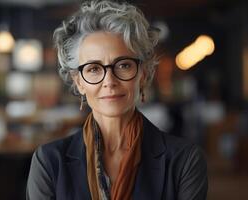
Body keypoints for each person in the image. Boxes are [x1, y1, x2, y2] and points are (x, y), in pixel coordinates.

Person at [26, 1, 208, 199]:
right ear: (79, 82)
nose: (109, 81)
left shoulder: (185, 161)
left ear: (143, 75)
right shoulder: (49, 162)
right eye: (94, 69)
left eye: (123, 65)